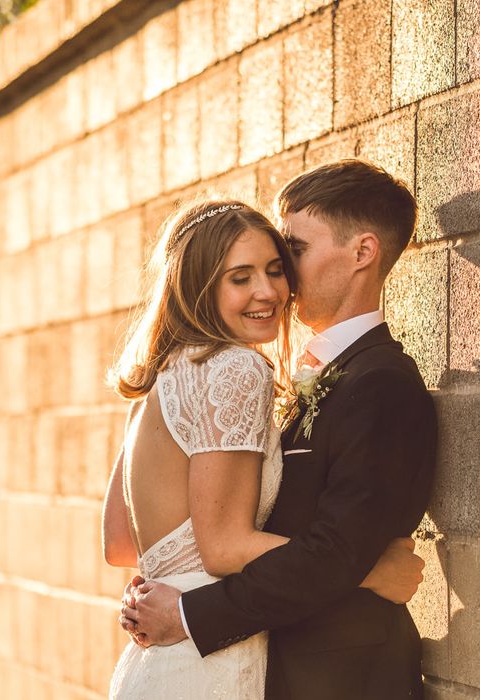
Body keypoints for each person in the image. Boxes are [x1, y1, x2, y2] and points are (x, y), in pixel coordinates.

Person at [120, 160, 438, 699]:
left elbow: (331, 551)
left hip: (340, 678)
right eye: (245, 274)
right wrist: (370, 570)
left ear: (362, 253)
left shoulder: (380, 383)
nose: (278, 281)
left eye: (290, 252)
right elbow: (234, 541)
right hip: (246, 659)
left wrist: (187, 607)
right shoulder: (243, 371)